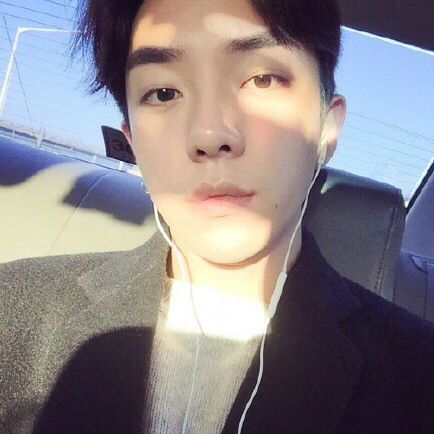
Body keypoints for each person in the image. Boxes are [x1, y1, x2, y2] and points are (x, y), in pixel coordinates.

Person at [1, 0, 434, 433]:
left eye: (262, 79)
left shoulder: (418, 380)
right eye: (163, 93)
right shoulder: (14, 310)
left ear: (327, 127)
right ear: (133, 142)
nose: (210, 135)